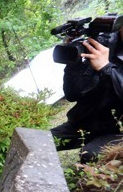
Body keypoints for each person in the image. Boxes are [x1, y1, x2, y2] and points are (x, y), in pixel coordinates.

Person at [51, 29, 123, 163]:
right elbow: (72, 95)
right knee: (42, 141)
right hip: (86, 123)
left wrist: (106, 68)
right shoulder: (102, 44)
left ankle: (85, 181)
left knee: (89, 155)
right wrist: (74, 64)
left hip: (118, 131)